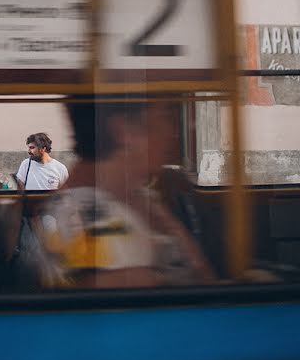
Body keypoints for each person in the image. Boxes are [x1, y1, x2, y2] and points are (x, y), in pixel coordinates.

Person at [38, 96, 216, 289]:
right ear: (125, 131)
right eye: (164, 117)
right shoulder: (83, 213)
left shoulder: (137, 195)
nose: (172, 133)